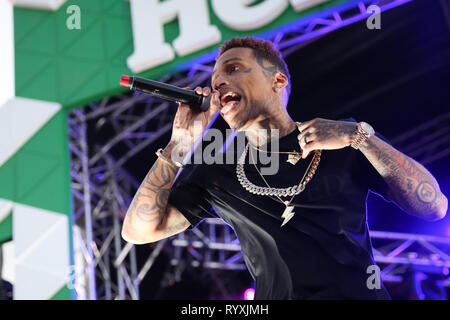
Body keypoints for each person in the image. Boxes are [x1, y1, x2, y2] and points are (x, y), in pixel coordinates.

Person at [121, 37, 448, 299]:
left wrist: (360, 138)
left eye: (233, 69)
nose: (219, 84)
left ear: (277, 80)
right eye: (215, 80)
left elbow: (434, 206)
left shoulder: (342, 140)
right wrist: (180, 145)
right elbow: (137, 231)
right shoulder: (216, 170)